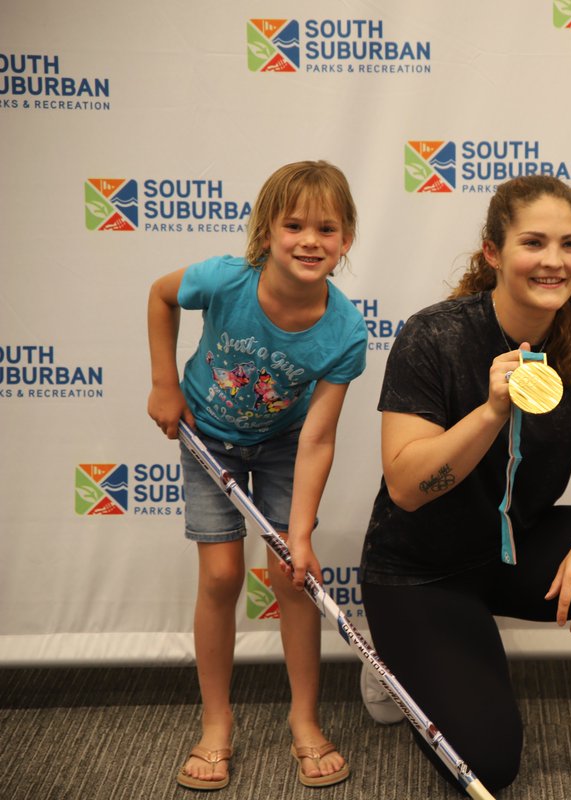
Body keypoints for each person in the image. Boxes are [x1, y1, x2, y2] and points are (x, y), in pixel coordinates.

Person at [358, 175, 571, 795]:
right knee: (489, 766)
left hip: (513, 549)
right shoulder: (434, 335)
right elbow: (408, 487)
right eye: (534, 242)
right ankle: (398, 659)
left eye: (569, 244)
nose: (553, 261)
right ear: (493, 252)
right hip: (420, 569)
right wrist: (491, 410)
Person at [147, 160, 367, 791]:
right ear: (266, 232)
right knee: (220, 576)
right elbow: (161, 295)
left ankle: (304, 720)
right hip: (208, 435)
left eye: (327, 228)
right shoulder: (227, 280)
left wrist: (299, 537)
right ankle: (217, 723)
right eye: (293, 224)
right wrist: (165, 383)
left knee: (290, 578)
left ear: (346, 240)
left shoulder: (346, 330)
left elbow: (319, 436)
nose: (309, 240)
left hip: (282, 446)